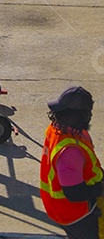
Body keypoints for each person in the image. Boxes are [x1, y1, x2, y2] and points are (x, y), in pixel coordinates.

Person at [40, 86, 104, 238]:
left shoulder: (57, 128)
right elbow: (74, 193)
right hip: (74, 214)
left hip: (57, 208)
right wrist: (100, 189)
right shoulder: (70, 152)